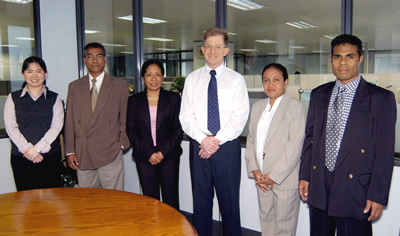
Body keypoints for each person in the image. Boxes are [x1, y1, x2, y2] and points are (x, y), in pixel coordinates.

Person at [298, 34, 396, 236]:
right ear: (331, 60)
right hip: (320, 185)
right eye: (337, 57)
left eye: (349, 57)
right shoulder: (319, 94)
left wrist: (377, 195)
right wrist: (305, 175)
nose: (342, 63)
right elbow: (311, 138)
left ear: (360, 59)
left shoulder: (380, 98)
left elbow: (384, 152)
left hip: (356, 189)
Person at [179, 27, 250, 236]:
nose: (213, 50)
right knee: (200, 204)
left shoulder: (236, 79)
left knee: (229, 205)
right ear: (202, 49)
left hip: (227, 148)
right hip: (199, 147)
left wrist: (215, 140)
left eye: (218, 46)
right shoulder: (192, 79)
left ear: (226, 50)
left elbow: (240, 117)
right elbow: (185, 116)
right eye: (208, 46)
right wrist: (203, 139)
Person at [245, 63, 306, 236]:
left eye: (276, 80)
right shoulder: (257, 108)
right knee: (266, 222)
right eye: (266, 80)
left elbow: (295, 145)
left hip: (283, 179)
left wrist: (273, 176)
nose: (270, 84)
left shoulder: (295, 107)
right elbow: (251, 140)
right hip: (262, 178)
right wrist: (254, 169)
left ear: (286, 82)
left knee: (284, 227)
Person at [65, 42, 130, 190]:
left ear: (105, 59)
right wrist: (70, 151)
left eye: (99, 56)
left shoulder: (119, 84)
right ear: (84, 60)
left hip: (110, 151)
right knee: (88, 202)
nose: (95, 60)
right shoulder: (74, 86)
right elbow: (69, 121)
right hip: (83, 152)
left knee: (112, 200)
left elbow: (127, 118)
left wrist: (121, 145)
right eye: (90, 56)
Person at [126, 59, 183, 210]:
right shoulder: (134, 101)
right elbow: (131, 131)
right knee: (149, 199)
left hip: (169, 156)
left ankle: (173, 231)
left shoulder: (173, 99)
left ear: (163, 77)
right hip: (145, 158)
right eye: (149, 75)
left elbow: (178, 130)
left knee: (171, 198)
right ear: (143, 78)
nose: (153, 79)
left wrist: (162, 152)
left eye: (157, 74)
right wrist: (149, 153)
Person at [4, 56, 64, 191]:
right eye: (29, 71)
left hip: (49, 158)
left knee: (51, 201)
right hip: (21, 158)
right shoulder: (13, 98)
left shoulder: (55, 98)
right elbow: (11, 127)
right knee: (25, 201)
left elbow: (56, 126)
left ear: (45, 74)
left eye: (39, 71)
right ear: (23, 74)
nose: (34, 75)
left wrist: (37, 149)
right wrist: (28, 150)